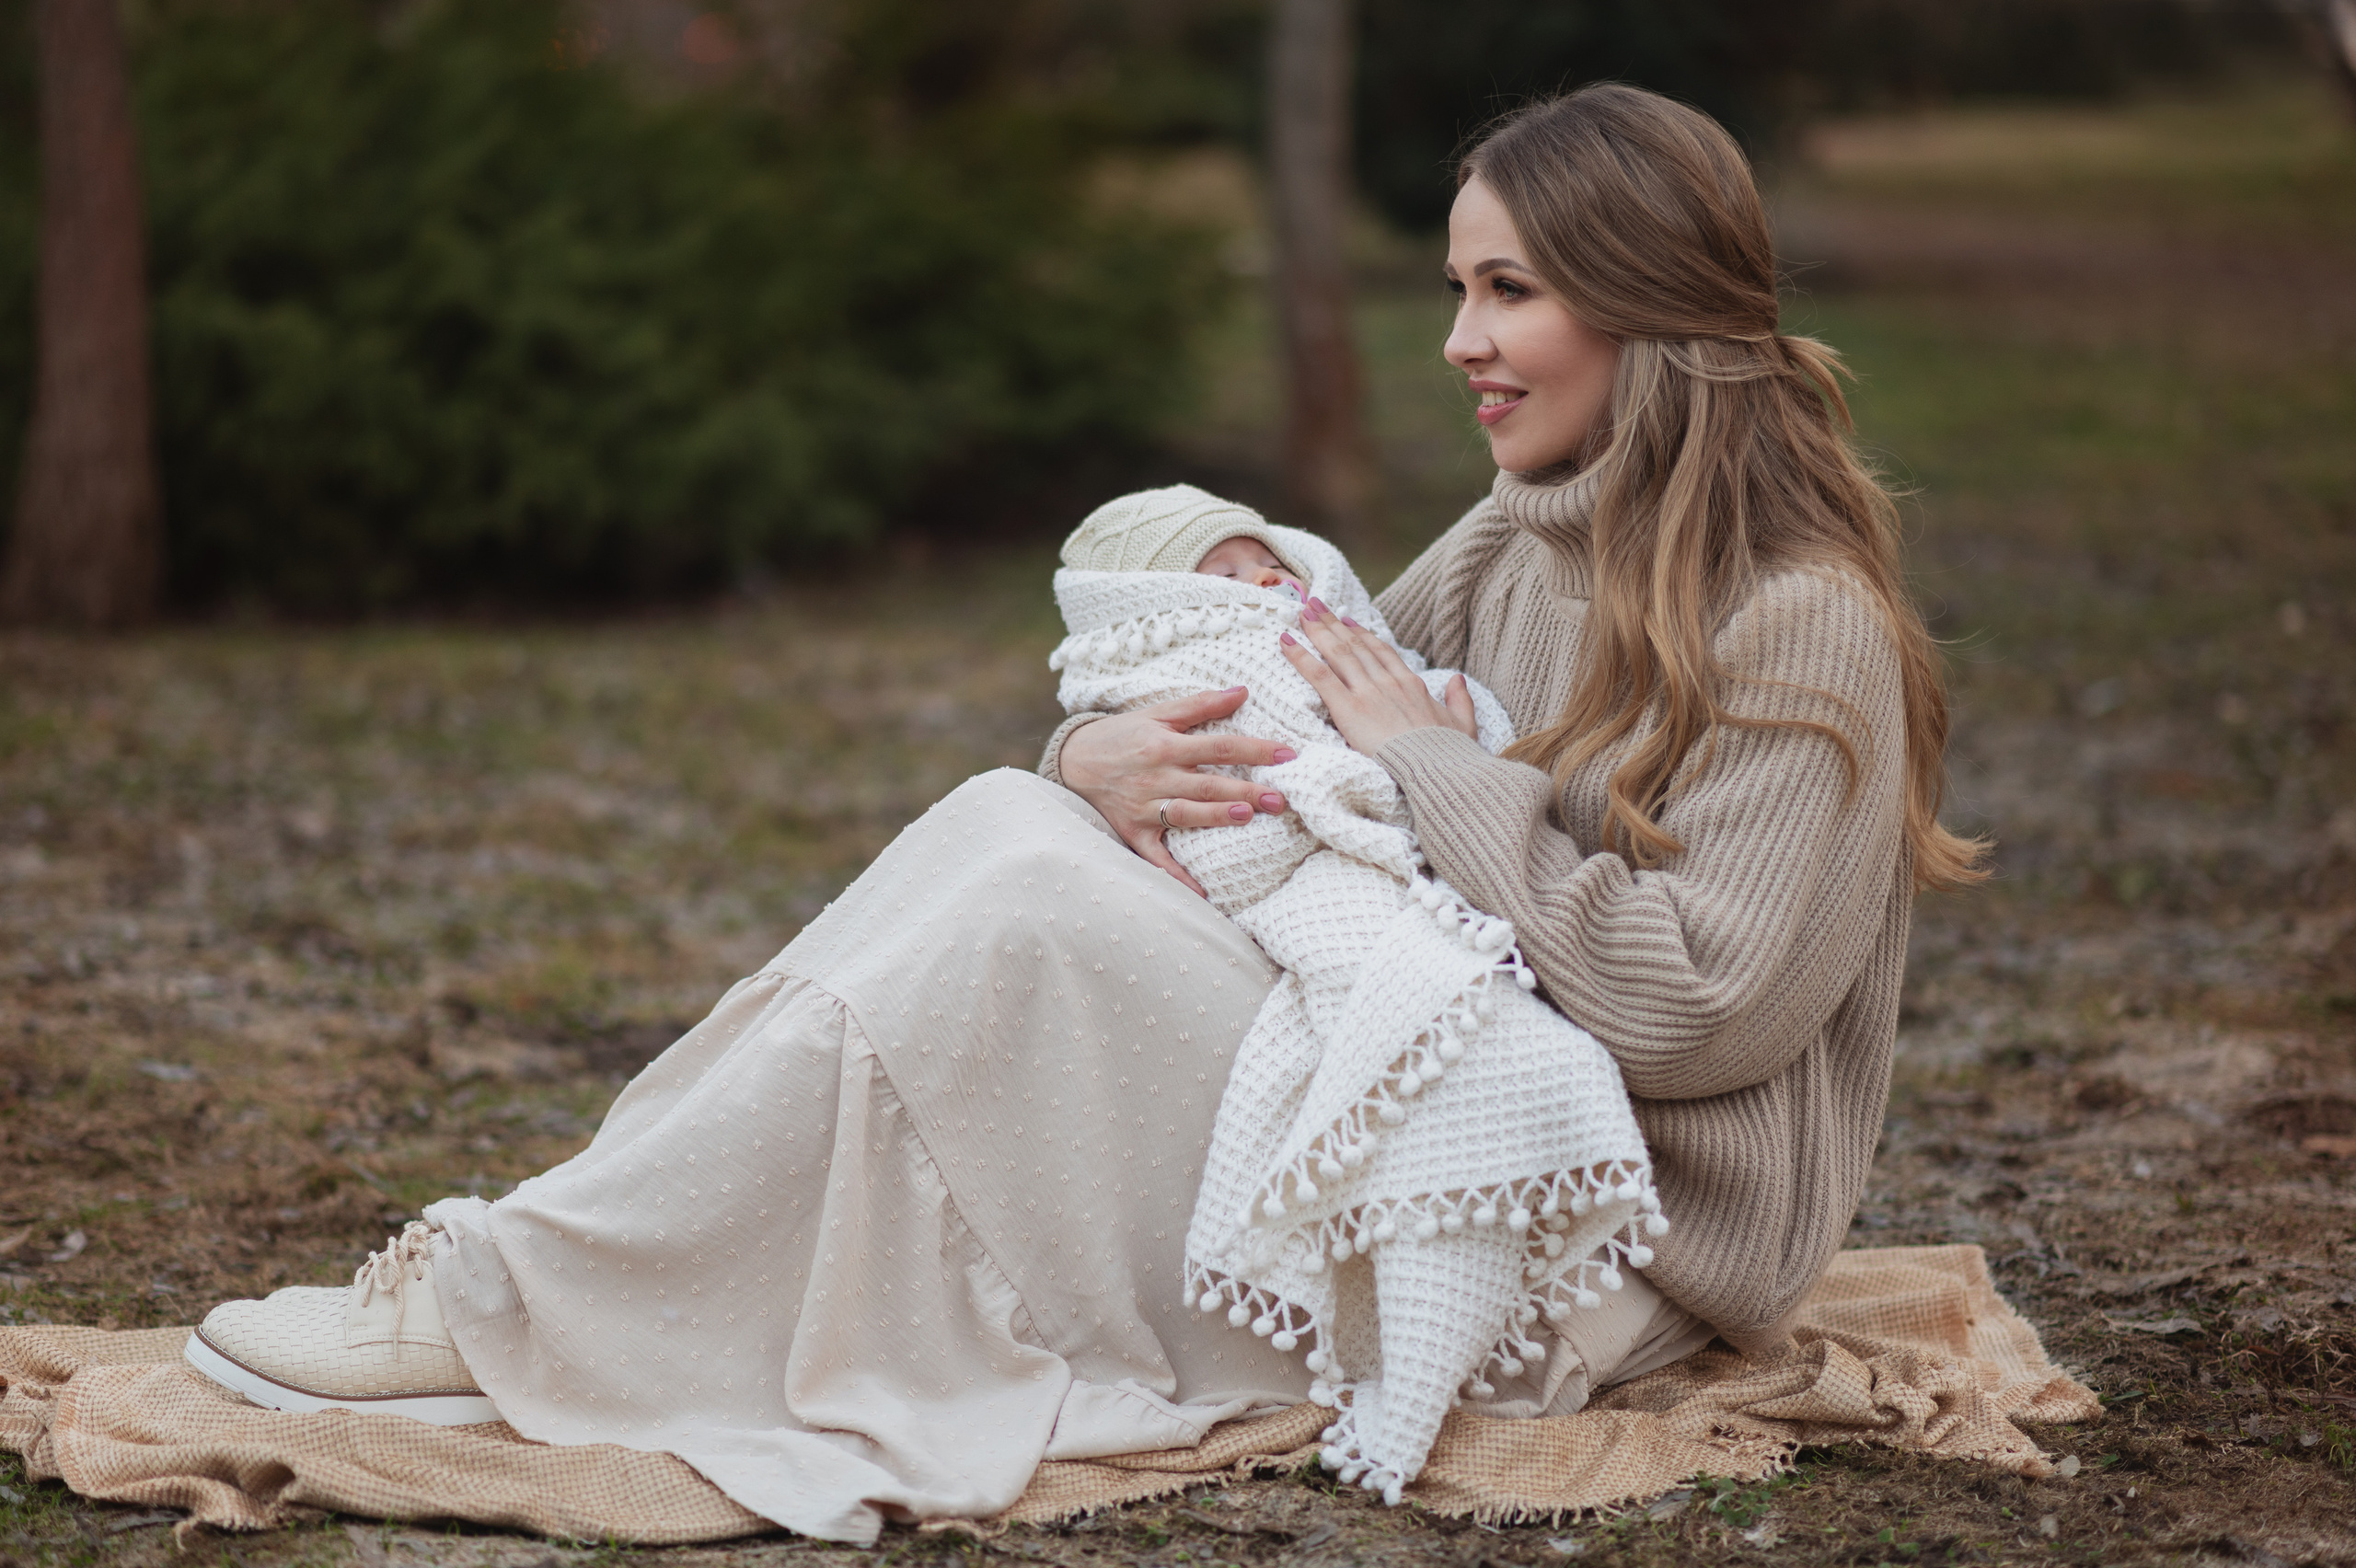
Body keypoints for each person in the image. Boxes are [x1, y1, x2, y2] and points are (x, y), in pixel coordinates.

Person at [179, 81, 1982, 1546]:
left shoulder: (1796, 626)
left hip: (1591, 1249)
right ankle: (527, 1263)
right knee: (1011, 830)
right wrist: (1094, 766)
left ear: (1648, 307)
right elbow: (1310, 712)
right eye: (1456, 288)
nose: (1456, 341)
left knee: (1029, 920)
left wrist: (1442, 777)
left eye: (1503, 290)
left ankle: (512, 1302)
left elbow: (1690, 1010)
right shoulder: (1526, 536)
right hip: (1459, 1102)